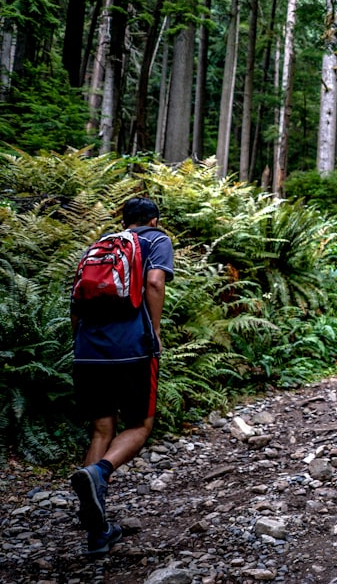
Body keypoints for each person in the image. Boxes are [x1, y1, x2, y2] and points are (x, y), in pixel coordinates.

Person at [70, 197, 174, 556]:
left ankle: (95, 528)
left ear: (123, 219)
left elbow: (75, 299)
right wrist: (155, 332)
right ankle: (100, 472)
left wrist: (78, 341)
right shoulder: (156, 240)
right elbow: (155, 283)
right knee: (140, 425)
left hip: (88, 348)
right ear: (154, 219)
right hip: (133, 348)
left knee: (102, 427)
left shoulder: (100, 244)